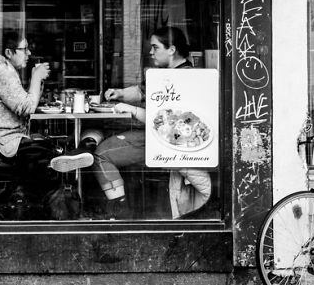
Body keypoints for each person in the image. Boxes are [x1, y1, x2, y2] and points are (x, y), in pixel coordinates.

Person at [49, 26, 211, 218]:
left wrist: (133, 110)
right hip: (158, 139)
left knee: (103, 154)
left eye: (155, 47)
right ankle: (83, 149)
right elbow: (142, 90)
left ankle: (119, 211)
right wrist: (119, 93)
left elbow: (167, 125)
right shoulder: (167, 73)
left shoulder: (182, 78)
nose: (151, 52)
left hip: (165, 145)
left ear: (172, 50)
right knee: (100, 131)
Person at [0, 31, 50, 157]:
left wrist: (37, 80)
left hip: (5, 138)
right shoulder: (2, 71)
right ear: (8, 53)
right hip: (4, 141)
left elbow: (24, 100)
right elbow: (28, 107)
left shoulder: (0, 67)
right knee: (48, 150)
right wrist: (36, 78)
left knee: (45, 144)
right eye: (24, 49)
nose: (29, 53)